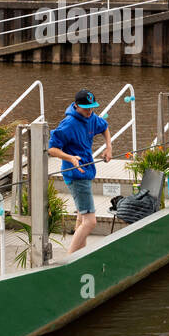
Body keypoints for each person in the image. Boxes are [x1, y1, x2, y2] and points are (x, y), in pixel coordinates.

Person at [48, 89, 111, 255]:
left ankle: (79, 254)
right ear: (76, 106)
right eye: (86, 108)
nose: (89, 111)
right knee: (90, 222)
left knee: (82, 218)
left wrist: (109, 148)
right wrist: (70, 158)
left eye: (92, 107)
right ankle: (70, 258)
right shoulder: (68, 124)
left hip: (87, 172)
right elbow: (52, 149)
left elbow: (104, 127)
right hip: (76, 176)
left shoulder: (91, 117)